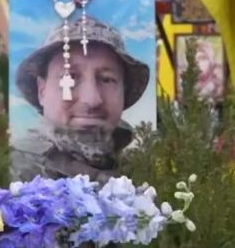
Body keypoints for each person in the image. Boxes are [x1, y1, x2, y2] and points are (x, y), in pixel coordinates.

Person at [12, 15, 150, 181]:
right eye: (70, 77)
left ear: (123, 91)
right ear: (42, 90)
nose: (92, 100)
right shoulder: (11, 172)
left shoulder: (144, 174)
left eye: (107, 79)